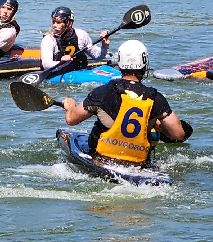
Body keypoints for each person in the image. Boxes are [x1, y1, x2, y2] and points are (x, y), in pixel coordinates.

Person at [61, 39, 190, 166]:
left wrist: (70, 106)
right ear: (144, 64)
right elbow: (178, 134)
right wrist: (155, 122)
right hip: (138, 164)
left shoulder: (102, 93)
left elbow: (72, 119)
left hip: (103, 159)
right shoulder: (156, 98)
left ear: (120, 63)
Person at [41, 6, 110, 70]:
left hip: (81, 71)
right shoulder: (48, 40)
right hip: (59, 73)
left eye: (59, 22)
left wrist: (104, 46)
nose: (54, 25)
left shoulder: (81, 35)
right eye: (53, 22)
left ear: (69, 23)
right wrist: (61, 62)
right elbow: (46, 64)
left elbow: (97, 57)